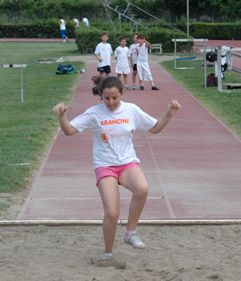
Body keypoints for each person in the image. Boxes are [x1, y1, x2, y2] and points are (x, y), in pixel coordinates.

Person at [53, 76, 181, 267]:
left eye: (115, 98)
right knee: (112, 213)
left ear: (122, 93)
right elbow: (69, 130)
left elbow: (154, 128)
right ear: (101, 97)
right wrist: (62, 116)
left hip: (127, 163)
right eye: (107, 99)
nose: (111, 102)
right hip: (105, 165)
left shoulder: (131, 110)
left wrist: (169, 113)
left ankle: (130, 233)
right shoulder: (94, 113)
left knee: (143, 188)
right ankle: (108, 253)